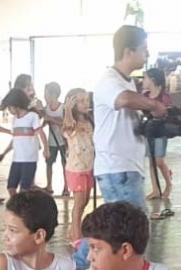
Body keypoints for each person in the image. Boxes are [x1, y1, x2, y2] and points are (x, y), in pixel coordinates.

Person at [92, 26, 167, 211]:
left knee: (130, 231)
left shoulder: (128, 81)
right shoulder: (109, 80)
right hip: (117, 169)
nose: (147, 54)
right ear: (128, 52)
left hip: (127, 168)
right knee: (131, 232)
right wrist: (154, 105)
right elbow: (123, 99)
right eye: (143, 49)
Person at [0, 88, 48, 196]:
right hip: (17, 159)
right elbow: (15, 139)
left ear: (16, 105)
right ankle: (17, 206)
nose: (9, 110)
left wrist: (46, 148)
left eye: (10, 107)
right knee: (11, 187)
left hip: (29, 159)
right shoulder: (15, 120)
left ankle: (22, 210)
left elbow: (41, 133)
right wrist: (4, 153)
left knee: (24, 189)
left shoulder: (32, 117)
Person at [63, 88, 95, 246]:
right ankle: (76, 237)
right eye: (81, 101)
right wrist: (68, 110)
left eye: (87, 100)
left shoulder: (89, 120)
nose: (86, 104)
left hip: (88, 165)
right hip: (76, 168)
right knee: (79, 201)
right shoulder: (71, 123)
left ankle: (72, 230)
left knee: (85, 200)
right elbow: (68, 127)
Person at [142, 68, 173, 206]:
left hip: (160, 130)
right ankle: (155, 189)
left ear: (152, 80)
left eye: (145, 78)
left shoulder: (163, 96)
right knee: (151, 161)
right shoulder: (145, 95)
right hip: (148, 131)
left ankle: (168, 184)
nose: (143, 81)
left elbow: (164, 112)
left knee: (159, 160)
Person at [42, 82, 67, 195]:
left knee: (65, 164)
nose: (44, 96)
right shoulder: (45, 109)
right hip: (51, 141)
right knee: (49, 163)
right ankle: (49, 186)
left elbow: (65, 123)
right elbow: (42, 123)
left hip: (63, 141)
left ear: (53, 95)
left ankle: (66, 187)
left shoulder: (63, 108)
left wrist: (50, 119)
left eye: (46, 94)